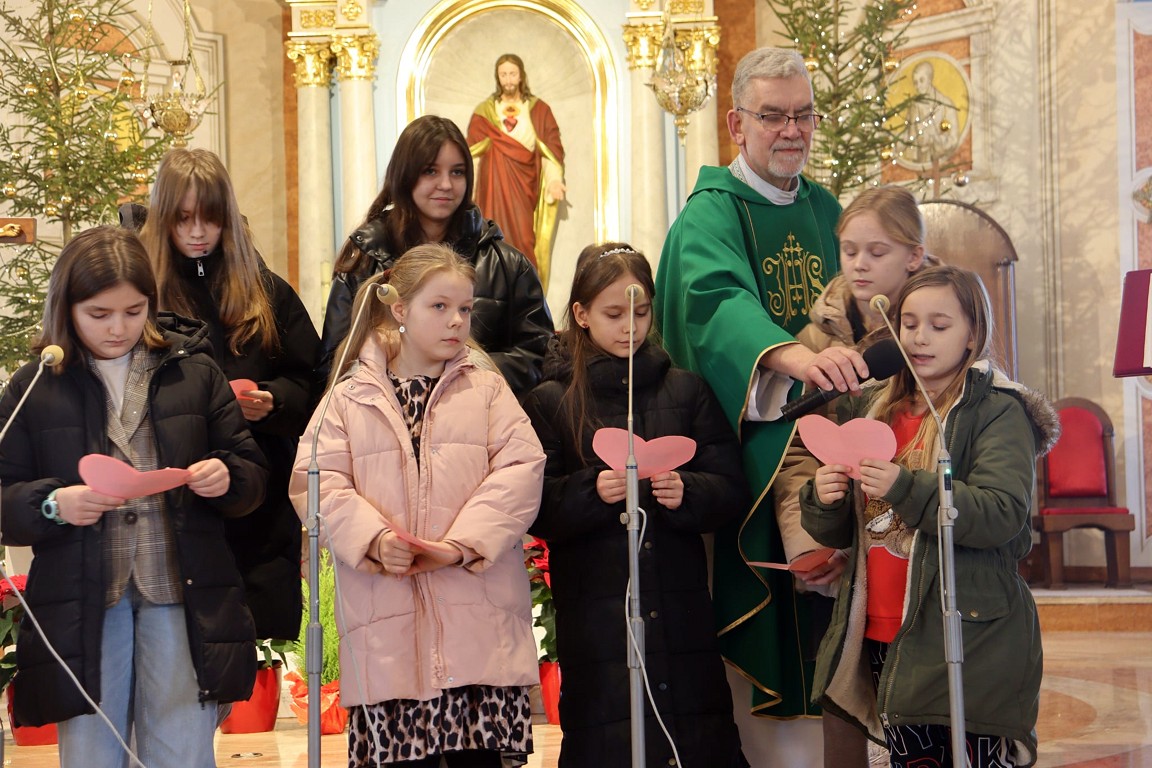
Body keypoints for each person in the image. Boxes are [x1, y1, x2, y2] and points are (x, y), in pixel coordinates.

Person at [653, 46, 868, 765]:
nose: (792, 130)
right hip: (750, 446)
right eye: (774, 115)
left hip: (842, 445)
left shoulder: (828, 211)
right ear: (736, 123)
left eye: (803, 114)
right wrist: (798, 361)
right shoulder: (709, 215)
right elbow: (716, 304)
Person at [0, 226, 267, 768]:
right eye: (99, 314)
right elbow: (5, 499)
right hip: (83, 602)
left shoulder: (195, 372)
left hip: (182, 594)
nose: (118, 328)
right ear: (66, 307)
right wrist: (53, 504)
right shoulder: (36, 385)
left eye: (133, 311)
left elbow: (251, 473)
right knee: (93, 753)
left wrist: (226, 477)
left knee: (181, 750)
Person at [290, 243, 545, 768]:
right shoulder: (349, 397)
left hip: (477, 636)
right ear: (400, 309)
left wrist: (459, 546)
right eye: (440, 306)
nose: (456, 321)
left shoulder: (488, 390)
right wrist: (374, 539)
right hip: (388, 637)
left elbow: (522, 469)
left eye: (465, 308)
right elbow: (317, 482)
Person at [799, 265, 1054, 767]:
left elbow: (1002, 513)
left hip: (964, 630)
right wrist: (826, 499)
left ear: (972, 335)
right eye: (909, 324)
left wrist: (904, 486)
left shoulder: (997, 411)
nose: (919, 338)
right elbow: (856, 528)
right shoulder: (876, 409)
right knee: (909, 760)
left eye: (939, 326)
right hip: (883, 628)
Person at [522, 243, 750, 768]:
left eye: (641, 312)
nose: (630, 327)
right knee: (610, 734)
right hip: (596, 610)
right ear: (581, 314)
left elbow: (730, 487)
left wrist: (688, 491)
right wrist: (591, 491)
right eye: (614, 314)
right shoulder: (552, 400)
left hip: (679, 604)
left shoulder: (686, 391)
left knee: (693, 731)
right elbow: (533, 505)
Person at [775, 185, 937, 766]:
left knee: (927, 724)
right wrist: (812, 546)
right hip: (845, 560)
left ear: (913, 256)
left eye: (877, 251)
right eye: (849, 251)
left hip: (923, 556)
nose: (860, 264)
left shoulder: (944, 326)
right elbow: (798, 453)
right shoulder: (815, 342)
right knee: (847, 716)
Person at [138, 147, 321, 643]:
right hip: (174, 500)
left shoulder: (266, 292)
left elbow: (313, 383)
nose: (198, 232)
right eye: (183, 219)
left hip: (259, 503)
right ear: (162, 218)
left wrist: (273, 400)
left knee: (256, 641)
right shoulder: (140, 296)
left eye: (211, 218)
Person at [323, 114, 553, 395]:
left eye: (457, 172)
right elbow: (333, 361)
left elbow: (539, 356)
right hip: (380, 413)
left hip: (476, 413)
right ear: (404, 175)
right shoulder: (365, 258)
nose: (446, 184)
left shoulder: (507, 264)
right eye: (431, 171)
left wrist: (461, 371)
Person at [467, 53, 566, 287]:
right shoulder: (485, 111)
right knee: (492, 235)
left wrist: (554, 180)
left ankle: (526, 287)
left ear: (521, 76)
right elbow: (472, 156)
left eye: (512, 74)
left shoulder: (539, 110)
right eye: (503, 75)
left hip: (524, 186)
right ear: (497, 77)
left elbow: (550, 151)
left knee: (523, 237)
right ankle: (492, 286)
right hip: (493, 186)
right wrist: (467, 192)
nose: (508, 79)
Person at [900, 60, 962, 166]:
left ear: (929, 79)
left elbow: (953, 139)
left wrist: (934, 139)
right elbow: (908, 134)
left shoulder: (945, 105)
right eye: (915, 82)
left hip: (940, 161)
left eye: (921, 80)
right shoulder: (913, 107)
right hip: (919, 162)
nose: (918, 86)